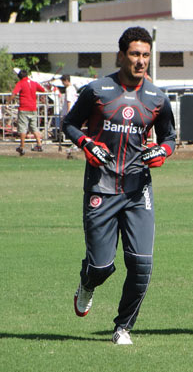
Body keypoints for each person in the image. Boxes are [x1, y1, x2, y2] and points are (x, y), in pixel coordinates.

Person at [63, 26, 176, 345]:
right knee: (101, 266)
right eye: (135, 54)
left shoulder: (157, 98)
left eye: (146, 55)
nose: (141, 61)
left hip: (138, 191)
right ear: (121, 55)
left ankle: (123, 327)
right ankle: (88, 282)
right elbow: (69, 123)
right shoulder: (97, 91)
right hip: (101, 187)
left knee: (142, 265)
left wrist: (162, 151)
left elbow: (169, 137)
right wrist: (86, 143)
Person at [10, 70, 46, 155]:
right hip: (33, 108)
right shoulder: (34, 83)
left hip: (24, 108)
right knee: (34, 127)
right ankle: (39, 145)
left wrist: (7, 101)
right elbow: (42, 90)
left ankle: (22, 147)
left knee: (23, 128)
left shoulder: (20, 83)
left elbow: (14, 93)